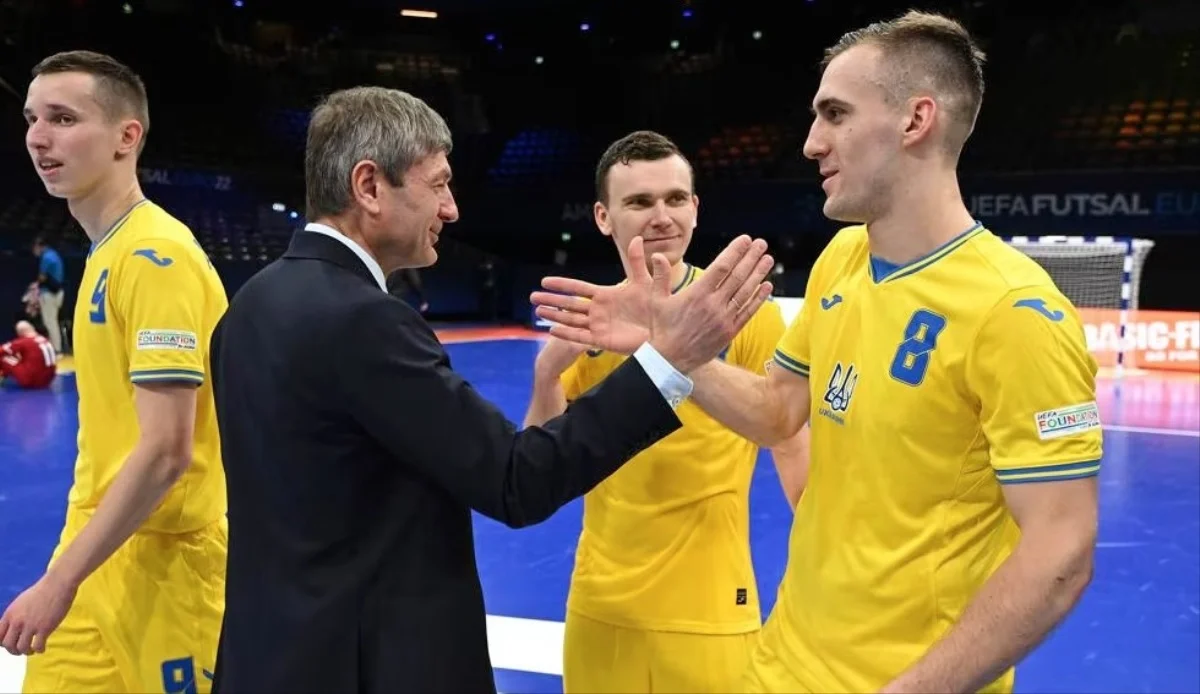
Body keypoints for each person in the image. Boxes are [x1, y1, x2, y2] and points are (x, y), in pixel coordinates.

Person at [531, 10, 1101, 694]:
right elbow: (776, 413)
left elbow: (1061, 552)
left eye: (835, 114)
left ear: (915, 120)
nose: (810, 143)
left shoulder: (1016, 312)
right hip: (782, 665)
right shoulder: (843, 259)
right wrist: (673, 350)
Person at [207, 85, 776, 692]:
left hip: (271, 658)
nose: (451, 209)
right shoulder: (364, 321)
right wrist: (667, 360)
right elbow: (516, 478)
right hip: (367, 665)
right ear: (369, 187)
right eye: (438, 184)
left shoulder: (248, 307)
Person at [523, 130, 810, 693]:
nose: (661, 216)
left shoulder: (744, 317)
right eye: (639, 201)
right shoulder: (591, 321)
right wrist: (545, 375)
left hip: (711, 612)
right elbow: (540, 464)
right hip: (601, 610)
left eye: (675, 198)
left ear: (695, 210)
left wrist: (826, 569)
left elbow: (789, 442)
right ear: (603, 217)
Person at [1, 50, 229, 693]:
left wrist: (58, 582)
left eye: (63, 118)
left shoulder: (155, 257)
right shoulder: (108, 250)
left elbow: (166, 452)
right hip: (98, 542)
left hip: (167, 565)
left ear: (127, 137)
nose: (38, 137)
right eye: (31, 118)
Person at [31, 235, 66, 354]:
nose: (34, 251)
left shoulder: (46, 257)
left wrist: (36, 285)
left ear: (38, 246)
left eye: (34, 248)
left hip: (49, 294)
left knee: (50, 322)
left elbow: (42, 276)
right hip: (58, 293)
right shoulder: (54, 254)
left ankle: (56, 349)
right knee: (52, 321)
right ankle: (54, 347)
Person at [0, 320, 57, 390]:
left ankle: (2, 376)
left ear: (20, 332)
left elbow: (2, 350)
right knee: (18, 358)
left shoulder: (24, 341)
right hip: (48, 380)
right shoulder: (44, 339)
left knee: (3, 358)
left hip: (32, 381)